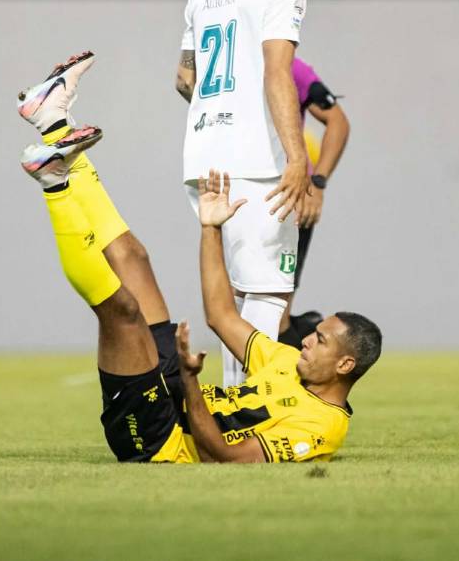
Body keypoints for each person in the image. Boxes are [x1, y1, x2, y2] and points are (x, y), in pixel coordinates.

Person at [19, 53, 380, 463]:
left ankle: (53, 183)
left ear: (345, 364)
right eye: (315, 334)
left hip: (158, 439)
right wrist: (211, 227)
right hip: (176, 391)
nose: (306, 340)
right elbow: (222, 316)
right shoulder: (286, 360)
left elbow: (231, 457)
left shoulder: (323, 429)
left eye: (320, 340)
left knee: (123, 310)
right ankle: (51, 120)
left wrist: (190, 381)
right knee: (133, 256)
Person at [175, 0, 310, 388]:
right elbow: (278, 72)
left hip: (204, 155)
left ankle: (236, 404)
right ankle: (246, 408)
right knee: (269, 290)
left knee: (238, 290)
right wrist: (297, 158)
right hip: (257, 161)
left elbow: (185, 77)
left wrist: (221, 107)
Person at [279, 57, 351, 347]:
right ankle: (302, 333)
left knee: (274, 312)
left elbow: (338, 121)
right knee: (237, 304)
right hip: (239, 200)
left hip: (291, 201)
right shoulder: (227, 61)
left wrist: (317, 183)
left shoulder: (290, 66)